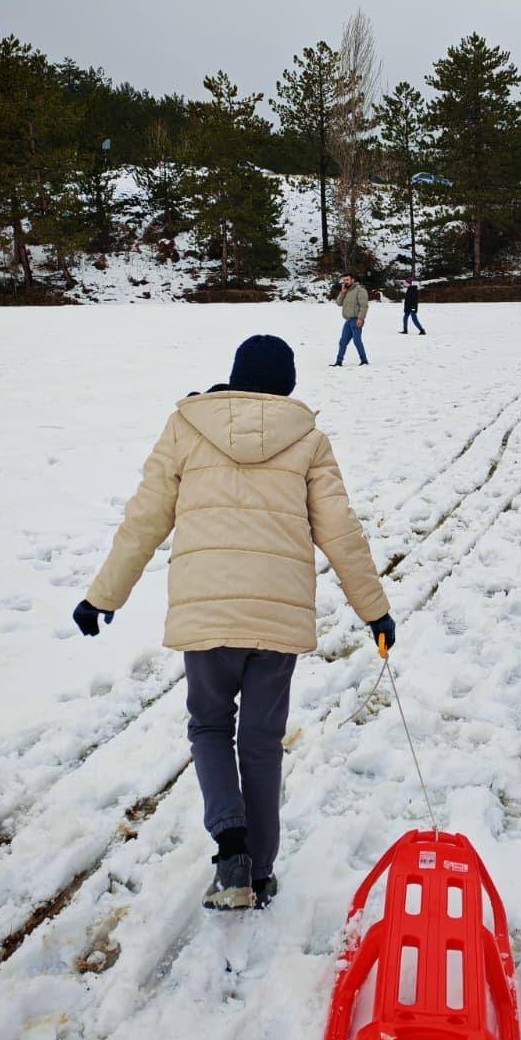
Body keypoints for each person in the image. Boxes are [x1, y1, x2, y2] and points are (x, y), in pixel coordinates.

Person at [71, 335, 394, 912]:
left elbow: (145, 518)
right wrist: (374, 610)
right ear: (289, 385)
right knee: (262, 742)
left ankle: (231, 844)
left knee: (211, 727)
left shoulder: (188, 427)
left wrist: (103, 596)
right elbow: (342, 532)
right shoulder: (308, 439)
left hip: (208, 612)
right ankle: (260, 874)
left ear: (235, 376)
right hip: (278, 617)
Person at [333, 273, 370, 365]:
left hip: (356, 319)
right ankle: (338, 362)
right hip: (348, 320)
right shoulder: (347, 291)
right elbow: (338, 303)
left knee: (357, 341)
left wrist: (360, 318)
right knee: (343, 341)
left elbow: (364, 306)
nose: (345, 282)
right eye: (344, 280)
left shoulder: (360, 290)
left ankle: (364, 360)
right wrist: (342, 292)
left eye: (347, 280)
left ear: (352, 280)